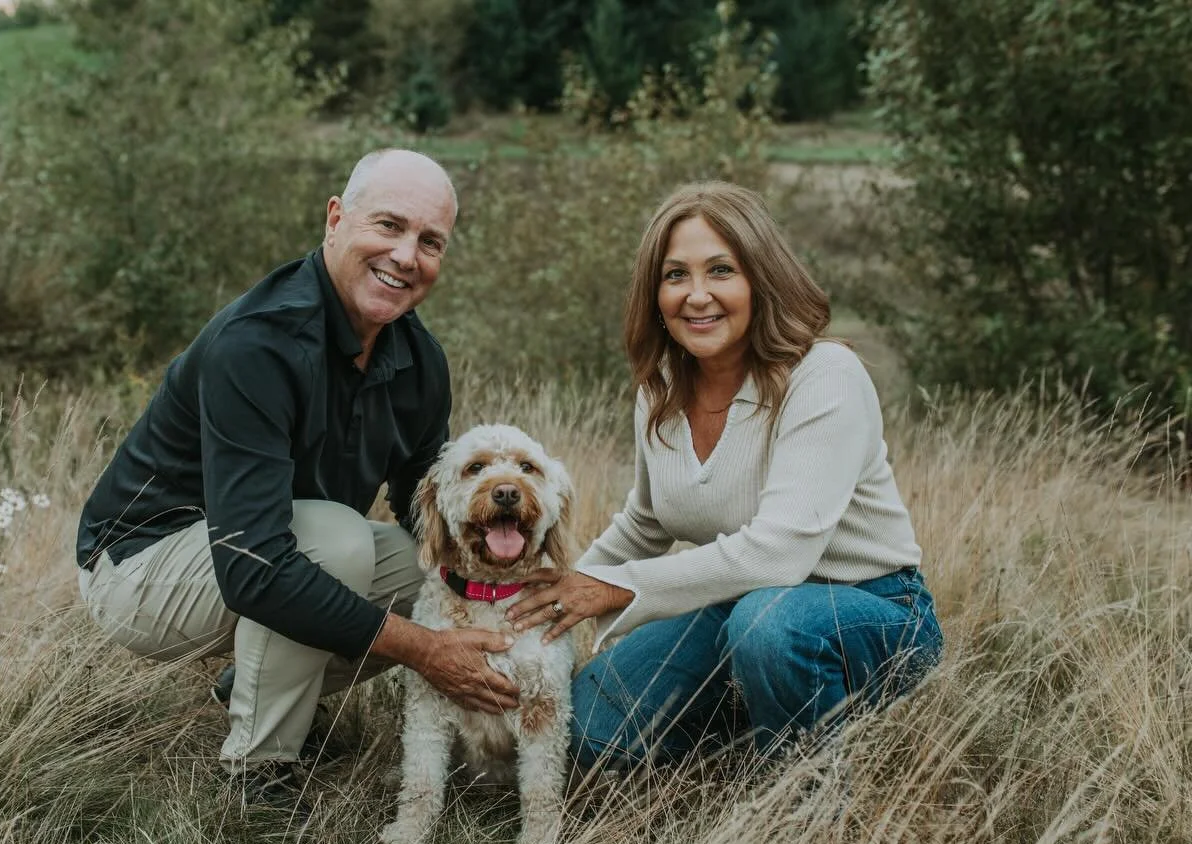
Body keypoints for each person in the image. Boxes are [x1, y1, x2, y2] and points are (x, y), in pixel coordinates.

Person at [76, 149, 520, 803]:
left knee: (424, 568)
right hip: (138, 569)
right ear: (335, 219)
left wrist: (511, 575)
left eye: (430, 242)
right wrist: (425, 650)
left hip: (272, 549)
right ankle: (259, 778)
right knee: (338, 541)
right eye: (389, 225)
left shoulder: (419, 359)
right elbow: (252, 568)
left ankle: (256, 686)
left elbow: (423, 507)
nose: (406, 256)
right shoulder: (256, 343)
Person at [507, 180, 943, 767]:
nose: (697, 295)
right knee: (588, 731)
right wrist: (549, 600)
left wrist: (612, 590)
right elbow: (645, 522)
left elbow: (777, 556)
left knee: (770, 626)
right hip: (736, 608)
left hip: (871, 610)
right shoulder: (660, 390)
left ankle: (804, 794)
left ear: (761, 279)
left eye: (720, 270)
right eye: (675, 275)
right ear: (655, 294)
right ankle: (754, 725)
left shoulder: (825, 376)